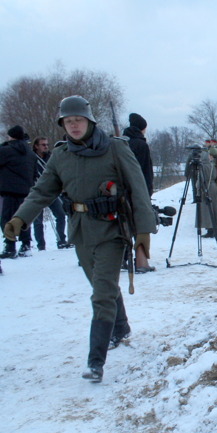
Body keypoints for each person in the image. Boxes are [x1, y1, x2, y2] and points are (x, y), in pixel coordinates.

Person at [3, 96, 156, 383]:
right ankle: (120, 328)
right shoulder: (61, 155)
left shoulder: (115, 148)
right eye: (68, 121)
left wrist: (143, 234)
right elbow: (42, 191)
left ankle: (95, 361)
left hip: (112, 230)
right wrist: (20, 219)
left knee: (101, 293)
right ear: (63, 124)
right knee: (103, 286)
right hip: (81, 231)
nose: (74, 126)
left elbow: (138, 189)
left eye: (78, 120)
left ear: (89, 121)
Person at [122, 113, 155, 273]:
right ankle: (141, 261)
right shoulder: (141, 145)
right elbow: (146, 172)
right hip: (139, 190)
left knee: (123, 224)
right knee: (142, 225)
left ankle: (123, 258)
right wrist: (148, 192)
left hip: (120, 191)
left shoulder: (120, 143)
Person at [1, 125, 34, 259]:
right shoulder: (30, 152)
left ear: (11, 136)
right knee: (23, 218)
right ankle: (26, 245)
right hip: (27, 190)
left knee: (7, 219)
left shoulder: (7, 151)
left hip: (9, 190)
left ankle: (10, 246)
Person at [31, 137, 70, 250]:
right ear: (36, 146)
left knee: (61, 215)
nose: (46, 147)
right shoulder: (32, 158)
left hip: (51, 191)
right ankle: (41, 245)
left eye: (47, 145)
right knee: (38, 221)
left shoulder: (51, 157)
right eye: (43, 145)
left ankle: (61, 240)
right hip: (38, 191)